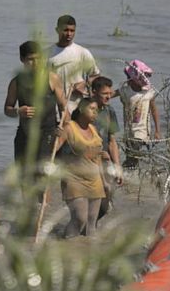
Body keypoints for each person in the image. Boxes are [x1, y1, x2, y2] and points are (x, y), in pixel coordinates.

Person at [4, 41, 67, 202]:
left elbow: (64, 108)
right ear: (22, 60)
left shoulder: (52, 79)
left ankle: (42, 214)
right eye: (31, 59)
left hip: (47, 134)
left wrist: (63, 131)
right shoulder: (16, 82)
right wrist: (18, 111)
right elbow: (7, 109)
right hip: (24, 135)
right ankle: (28, 214)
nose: (35, 63)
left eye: (39, 59)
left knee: (42, 178)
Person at [56, 98, 106, 238]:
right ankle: (66, 243)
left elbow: (98, 159)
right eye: (92, 109)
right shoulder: (68, 127)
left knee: (91, 224)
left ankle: (89, 252)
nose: (96, 113)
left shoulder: (94, 129)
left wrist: (104, 181)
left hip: (95, 180)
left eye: (97, 110)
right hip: (73, 179)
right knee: (80, 218)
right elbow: (54, 151)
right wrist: (54, 138)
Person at [112, 60, 161, 169]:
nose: (127, 80)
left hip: (142, 131)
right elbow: (109, 95)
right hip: (129, 131)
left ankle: (121, 172)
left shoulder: (148, 93)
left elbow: (154, 111)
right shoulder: (125, 90)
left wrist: (157, 131)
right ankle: (129, 175)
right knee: (131, 156)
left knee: (134, 155)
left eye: (129, 78)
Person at [48, 15, 100, 114]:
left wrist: (84, 84)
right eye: (65, 30)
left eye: (72, 31)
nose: (69, 34)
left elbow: (96, 74)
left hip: (76, 108)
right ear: (57, 30)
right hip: (53, 110)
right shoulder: (48, 54)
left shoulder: (82, 52)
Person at [91, 76, 123, 219]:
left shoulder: (110, 112)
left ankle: (87, 230)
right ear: (94, 92)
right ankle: (84, 232)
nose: (108, 97)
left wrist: (117, 166)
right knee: (91, 201)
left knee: (105, 202)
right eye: (104, 94)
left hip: (105, 160)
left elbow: (112, 141)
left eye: (110, 93)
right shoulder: (85, 110)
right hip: (88, 161)